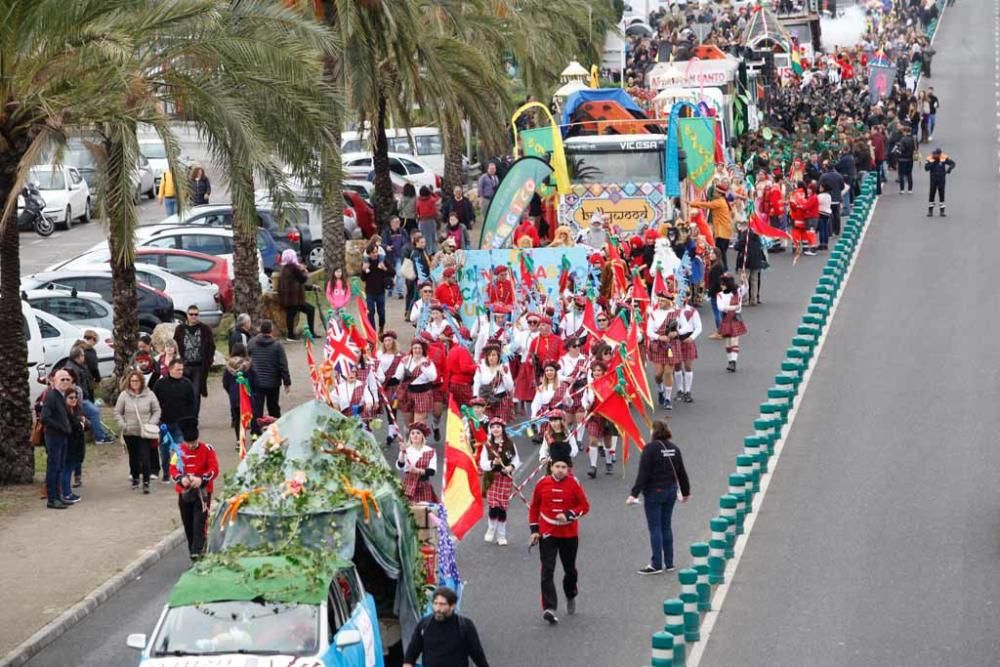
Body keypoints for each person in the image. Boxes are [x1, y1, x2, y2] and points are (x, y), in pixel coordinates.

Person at [529, 451, 590, 625]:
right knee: (547, 570)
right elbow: (534, 508)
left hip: (569, 533)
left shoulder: (574, 484)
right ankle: (549, 608)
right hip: (547, 532)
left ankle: (570, 594)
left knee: (570, 570)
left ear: (568, 469)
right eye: (557, 467)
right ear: (551, 467)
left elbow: (585, 506)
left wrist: (569, 514)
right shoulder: (542, 483)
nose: (561, 470)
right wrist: (534, 530)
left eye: (564, 467)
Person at [627, 420, 691, 574]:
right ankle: (669, 563)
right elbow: (681, 471)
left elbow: (643, 474)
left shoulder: (649, 449)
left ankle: (656, 564)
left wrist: (633, 494)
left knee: (655, 528)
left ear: (654, 432)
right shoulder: (674, 449)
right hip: (671, 491)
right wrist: (686, 491)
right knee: (666, 526)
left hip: (654, 492)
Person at [403, 586, 489, 667]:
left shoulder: (465, 626)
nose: (437, 608)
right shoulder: (424, 624)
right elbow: (410, 655)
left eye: (442, 604)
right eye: (435, 603)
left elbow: (478, 656)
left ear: (452, 606)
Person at [169, 423, 219, 561]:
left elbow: (214, 469)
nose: (191, 446)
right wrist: (181, 479)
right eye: (188, 443)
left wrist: (201, 479)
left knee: (199, 525)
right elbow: (173, 469)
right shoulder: (178, 450)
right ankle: (193, 550)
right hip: (185, 493)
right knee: (188, 524)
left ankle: (198, 554)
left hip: (202, 493)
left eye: (194, 442)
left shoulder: (207, 449)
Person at [114, 370, 162, 493]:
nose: (135, 383)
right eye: (132, 381)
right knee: (133, 458)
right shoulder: (124, 395)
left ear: (142, 382)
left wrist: (151, 423)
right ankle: (135, 477)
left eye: (137, 381)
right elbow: (117, 412)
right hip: (129, 432)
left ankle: (146, 482)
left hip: (144, 432)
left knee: (145, 457)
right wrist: (123, 424)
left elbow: (157, 410)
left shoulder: (150, 394)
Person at [152, 358, 196, 482]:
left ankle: (180, 473)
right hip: (164, 423)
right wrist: (156, 420)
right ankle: (166, 473)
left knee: (180, 449)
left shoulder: (187, 384)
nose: (180, 372)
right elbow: (154, 403)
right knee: (165, 450)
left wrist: (191, 421)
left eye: (182, 369)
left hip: (181, 424)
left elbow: (192, 404)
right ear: (170, 370)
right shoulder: (160, 384)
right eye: (178, 369)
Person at [480, 418, 520, 546]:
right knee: (493, 505)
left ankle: (501, 534)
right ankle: (491, 528)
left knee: (502, 507)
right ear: (490, 430)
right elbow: (482, 463)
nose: (496, 429)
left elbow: (516, 460)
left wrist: (510, 467)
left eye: (498, 426)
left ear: (502, 428)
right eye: (493, 427)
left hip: (505, 478)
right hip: (492, 477)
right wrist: (492, 463)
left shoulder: (510, 443)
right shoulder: (487, 445)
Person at [64, 346, 112, 445]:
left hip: (83, 397)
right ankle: (100, 437)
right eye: (82, 355)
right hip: (79, 399)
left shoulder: (77, 366)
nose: (84, 357)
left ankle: (98, 434)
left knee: (94, 410)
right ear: (78, 356)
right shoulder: (73, 369)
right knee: (94, 411)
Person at [173, 305, 215, 417]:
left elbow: (211, 346)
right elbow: (175, 345)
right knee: (183, 392)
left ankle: (193, 417)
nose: (193, 317)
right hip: (184, 366)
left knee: (196, 393)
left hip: (199, 367)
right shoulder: (180, 329)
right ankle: (184, 415)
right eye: (191, 314)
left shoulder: (205, 329)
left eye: (196, 314)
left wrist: (209, 361)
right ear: (187, 315)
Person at [248, 320, 291, 420]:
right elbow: (283, 365)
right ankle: (275, 428)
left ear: (260, 329)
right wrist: (287, 382)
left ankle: (256, 430)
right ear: (271, 330)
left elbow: (246, 359)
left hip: (256, 381)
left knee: (257, 408)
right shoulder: (277, 345)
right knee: (273, 407)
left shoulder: (252, 343)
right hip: (273, 381)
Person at [395, 339, 439, 427]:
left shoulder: (427, 362)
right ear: (411, 349)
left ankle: (419, 439)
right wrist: (403, 364)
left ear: (423, 350)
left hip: (422, 393)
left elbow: (433, 377)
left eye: (419, 348)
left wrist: (422, 367)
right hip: (407, 393)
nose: (417, 350)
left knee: (418, 424)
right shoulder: (406, 360)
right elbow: (398, 376)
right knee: (408, 424)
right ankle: (408, 439)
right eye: (415, 348)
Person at [690, 182, 733, 270]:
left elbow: (707, 205)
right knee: (722, 253)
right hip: (725, 232)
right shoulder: (722, 201)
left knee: (719, 254)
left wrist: (692, 203)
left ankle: (722, 271)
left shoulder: (719, 202)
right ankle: (723, 270)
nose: (713, 193)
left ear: (720, 193)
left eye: (715, 192)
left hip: (722, 232)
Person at [278, 249, 316, 340]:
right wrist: (304, 271)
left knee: (291, 314)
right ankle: (294, 335)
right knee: (309, 310)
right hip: (295, 298)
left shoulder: (284, 268)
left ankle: (291, 334)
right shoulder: (294, 267)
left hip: (288, 297)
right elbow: (302, 279)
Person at [221, 343, 253, 449]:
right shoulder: (248, 364)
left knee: (237, 418)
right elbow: (253, 378)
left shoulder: (228, 366)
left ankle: (239, 440)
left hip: (234, 395)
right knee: (249, 414)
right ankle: (253, 435)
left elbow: (225, 382)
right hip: (246, 393)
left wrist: (230, 391)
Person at [396, 422, 438, 503]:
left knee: (425, 511)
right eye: (412, 433)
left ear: (422, 436)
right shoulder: (406, 450)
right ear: (410, 436)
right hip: (408, 485)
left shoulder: (430, 451)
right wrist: (402, 452)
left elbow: (432, 471)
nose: (415, 435)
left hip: (424, 485)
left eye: (418, 433)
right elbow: (400, 466)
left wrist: (418, 470)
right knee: (409, 511)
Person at [717, 274, 748, 373]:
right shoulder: (720, 295)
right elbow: (721, 307)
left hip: (735, 318)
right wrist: (733, 307)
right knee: (728, 342)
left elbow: (746, 288)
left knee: (734, 341)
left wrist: (744, 279)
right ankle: (730, 361)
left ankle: (733, 362)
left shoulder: (737, 291)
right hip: (726, 318)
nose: (721, 285)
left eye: (723, 284)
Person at [61, 387, 86, 505]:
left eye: (76, 397)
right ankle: (66, 493)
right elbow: (70, 428)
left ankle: (67, 492)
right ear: (65, 398)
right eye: (71, 397)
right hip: (68, 446)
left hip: (76, 446)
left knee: (69, 469)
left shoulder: (76, 411)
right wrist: (80, 424)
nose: (74, 399)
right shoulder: (65, 413)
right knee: (66, 470)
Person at [924, 147, 955, 217]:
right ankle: (930, 211)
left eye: (935, 154)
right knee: (932, 194)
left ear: (939, 154)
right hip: (933, 179)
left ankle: (942, 211)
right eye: (933, 154)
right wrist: (933, 163)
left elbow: (953, 163)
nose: (934, 155)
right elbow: (926, 168)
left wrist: (949, 169)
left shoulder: (944, 158)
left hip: (941, 179)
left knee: (941, 194)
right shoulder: (929, 158)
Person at [415, 186, 440, 255]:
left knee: (424, 237)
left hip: (422, 222)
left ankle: (426, 253)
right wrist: (432, 192)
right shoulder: (432, 200)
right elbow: (437, 198)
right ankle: (433, 252)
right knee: (433, 237)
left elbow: (417, 212)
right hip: (431, 221)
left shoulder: (418, 201)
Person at [894, 126, 917, 194]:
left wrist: (897, 151)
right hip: (910, 159)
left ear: (905, 132)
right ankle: (910, 190)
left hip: (902, 159)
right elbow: (916, 148)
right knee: (909, 174)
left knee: (901, 174)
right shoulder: (914, 139)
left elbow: (901, 150)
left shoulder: (903, 139)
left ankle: (902, 189)